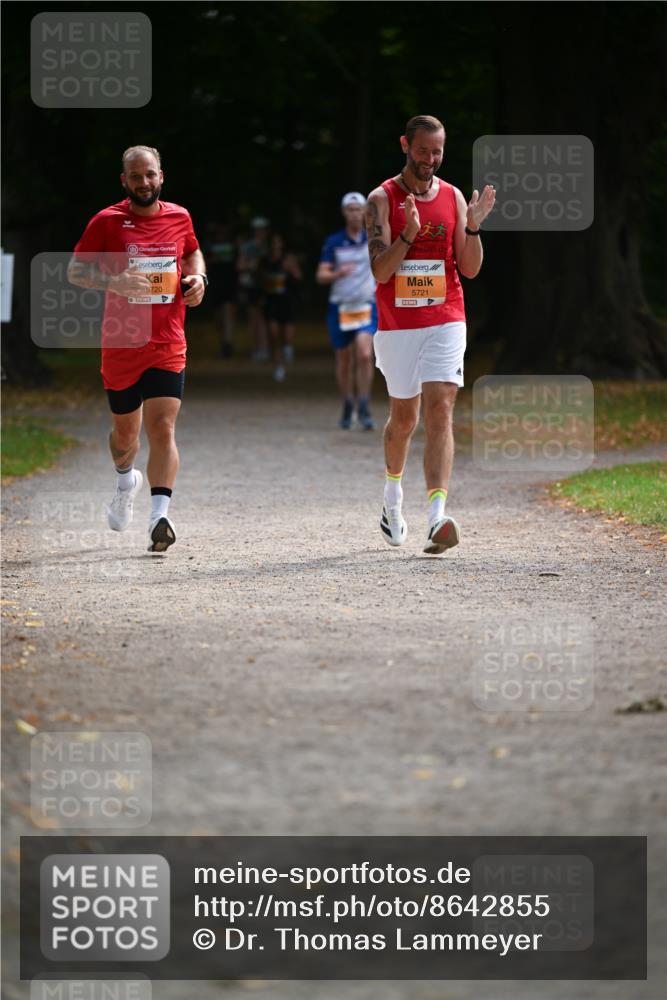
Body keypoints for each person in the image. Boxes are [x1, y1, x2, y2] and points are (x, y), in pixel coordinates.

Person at [68, 144, 207, 553]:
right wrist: (113, 282)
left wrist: (198, 278)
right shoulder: (107, 221)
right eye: (135, 176)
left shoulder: (180, 216)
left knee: (163, 427)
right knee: (125, 436)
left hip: (167, 341)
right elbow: (76, 270)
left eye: (150, 175)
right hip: (122, 343)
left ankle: (158, 517)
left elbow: (192, 250)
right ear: (124, 181)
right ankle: (125, 477)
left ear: (161, 176)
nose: (143, 182)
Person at [366, 115, 495, 554]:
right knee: (404, 419)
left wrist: (473, 225)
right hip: (398, 325)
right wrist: (407, 236)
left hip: (446, 317)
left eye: (437, 152)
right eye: (422, 151)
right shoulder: (381, 199)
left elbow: (471, 268)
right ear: (405, 145)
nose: (430, 160)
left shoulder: (454, 197)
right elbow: (381, 272)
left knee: (441, 407)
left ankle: (438, 515)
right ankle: (392, 498)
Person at [317, 192, 377, 430]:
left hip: (366, 305)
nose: (354, 213)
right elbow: (321, 274)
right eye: (350, 209)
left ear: (365, 212)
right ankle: (347, 402)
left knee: (364, 353)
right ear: (344, 213)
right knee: (344, 359)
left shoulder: (374, 239)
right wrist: (337, 273)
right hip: (341, 307)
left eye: (358, 209)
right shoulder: (334, 242)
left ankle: (364, 403)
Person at [259, 233, 302, 381]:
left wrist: (291, 269)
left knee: (287, 334)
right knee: (273, 334)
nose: (275, 246)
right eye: (273, 243)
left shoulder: (288, 259)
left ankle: (288, 348)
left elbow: (298, 276)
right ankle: (278, 366)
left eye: (278, 243)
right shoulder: (264, 260)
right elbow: (259, 278)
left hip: (287, 300)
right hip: (271, 301)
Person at [237, 217, 270, 361]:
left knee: (265, 318)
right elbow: (240, 266)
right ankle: (256, 348)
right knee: (254, 317)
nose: (260, 232)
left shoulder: (270, 246)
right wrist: (252, 266)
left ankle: (265, 348)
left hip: (268, 286)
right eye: (258, 229)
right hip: (252, 286)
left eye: (262, 229)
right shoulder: (248, 247)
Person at [206, 221, 237, 357]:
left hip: (229, 284)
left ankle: (227, 343)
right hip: (215, 284)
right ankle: (223, 341)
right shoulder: (210, 245)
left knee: (228, 313)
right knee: (218, 317)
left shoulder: (234, 245)